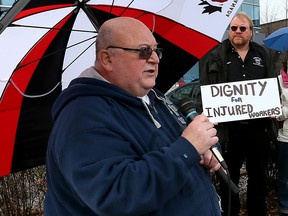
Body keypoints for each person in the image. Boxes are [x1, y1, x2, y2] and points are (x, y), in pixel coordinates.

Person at [44, 17, 222, 216]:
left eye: (156, 50)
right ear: (107, 59)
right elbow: (116, 196)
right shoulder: (81, 118)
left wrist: (203, 150)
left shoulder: (152, 95)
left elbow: (182, 141)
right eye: (144, 51)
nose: (155, 59)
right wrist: (188, 149)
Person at [200, 12, 276, 216]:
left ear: (251, 31)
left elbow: (271, 87)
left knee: (258, 177)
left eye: (242, 28)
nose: (237, 32)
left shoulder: (263, 55)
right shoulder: (217, 55)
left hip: (257, 128)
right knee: (228, 177)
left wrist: (272, 107)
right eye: (233, 28)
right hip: (229, 131)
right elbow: (205, 88)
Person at [276, 54, 288, 216]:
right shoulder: (278, 82)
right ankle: (284, 207)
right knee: (285, 176)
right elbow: (274, 111)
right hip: (285, 137)